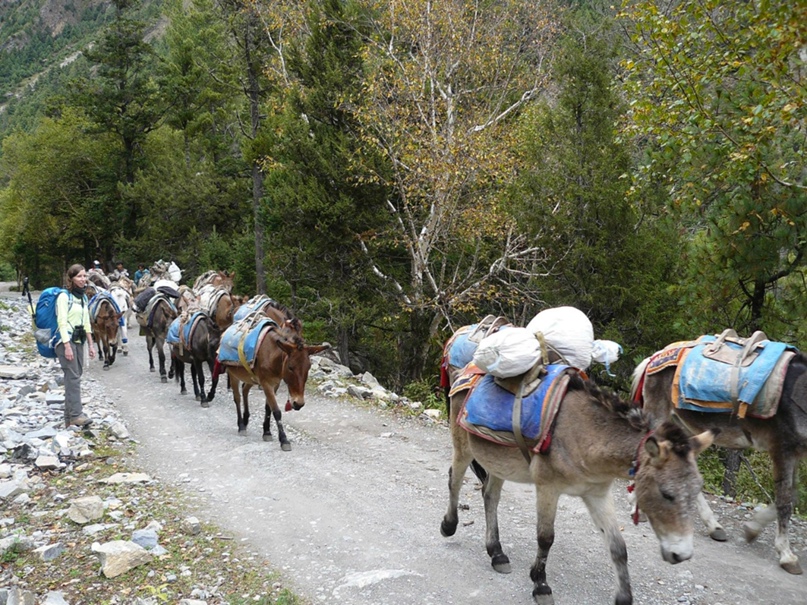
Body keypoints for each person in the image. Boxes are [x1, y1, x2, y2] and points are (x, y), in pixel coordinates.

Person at [56, 264, 96, 428]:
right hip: (65, 341)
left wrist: (91, 344)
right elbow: (62, 322)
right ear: (71, 278)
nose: (83, 279)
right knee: (73, 377)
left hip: (79, 340)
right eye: (79, 276)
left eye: (84, 276)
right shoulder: (64, 297)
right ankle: (76, 415)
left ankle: (68, 418)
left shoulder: (83, 297)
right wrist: (66, 346)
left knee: (74, 377)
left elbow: (86, 321)